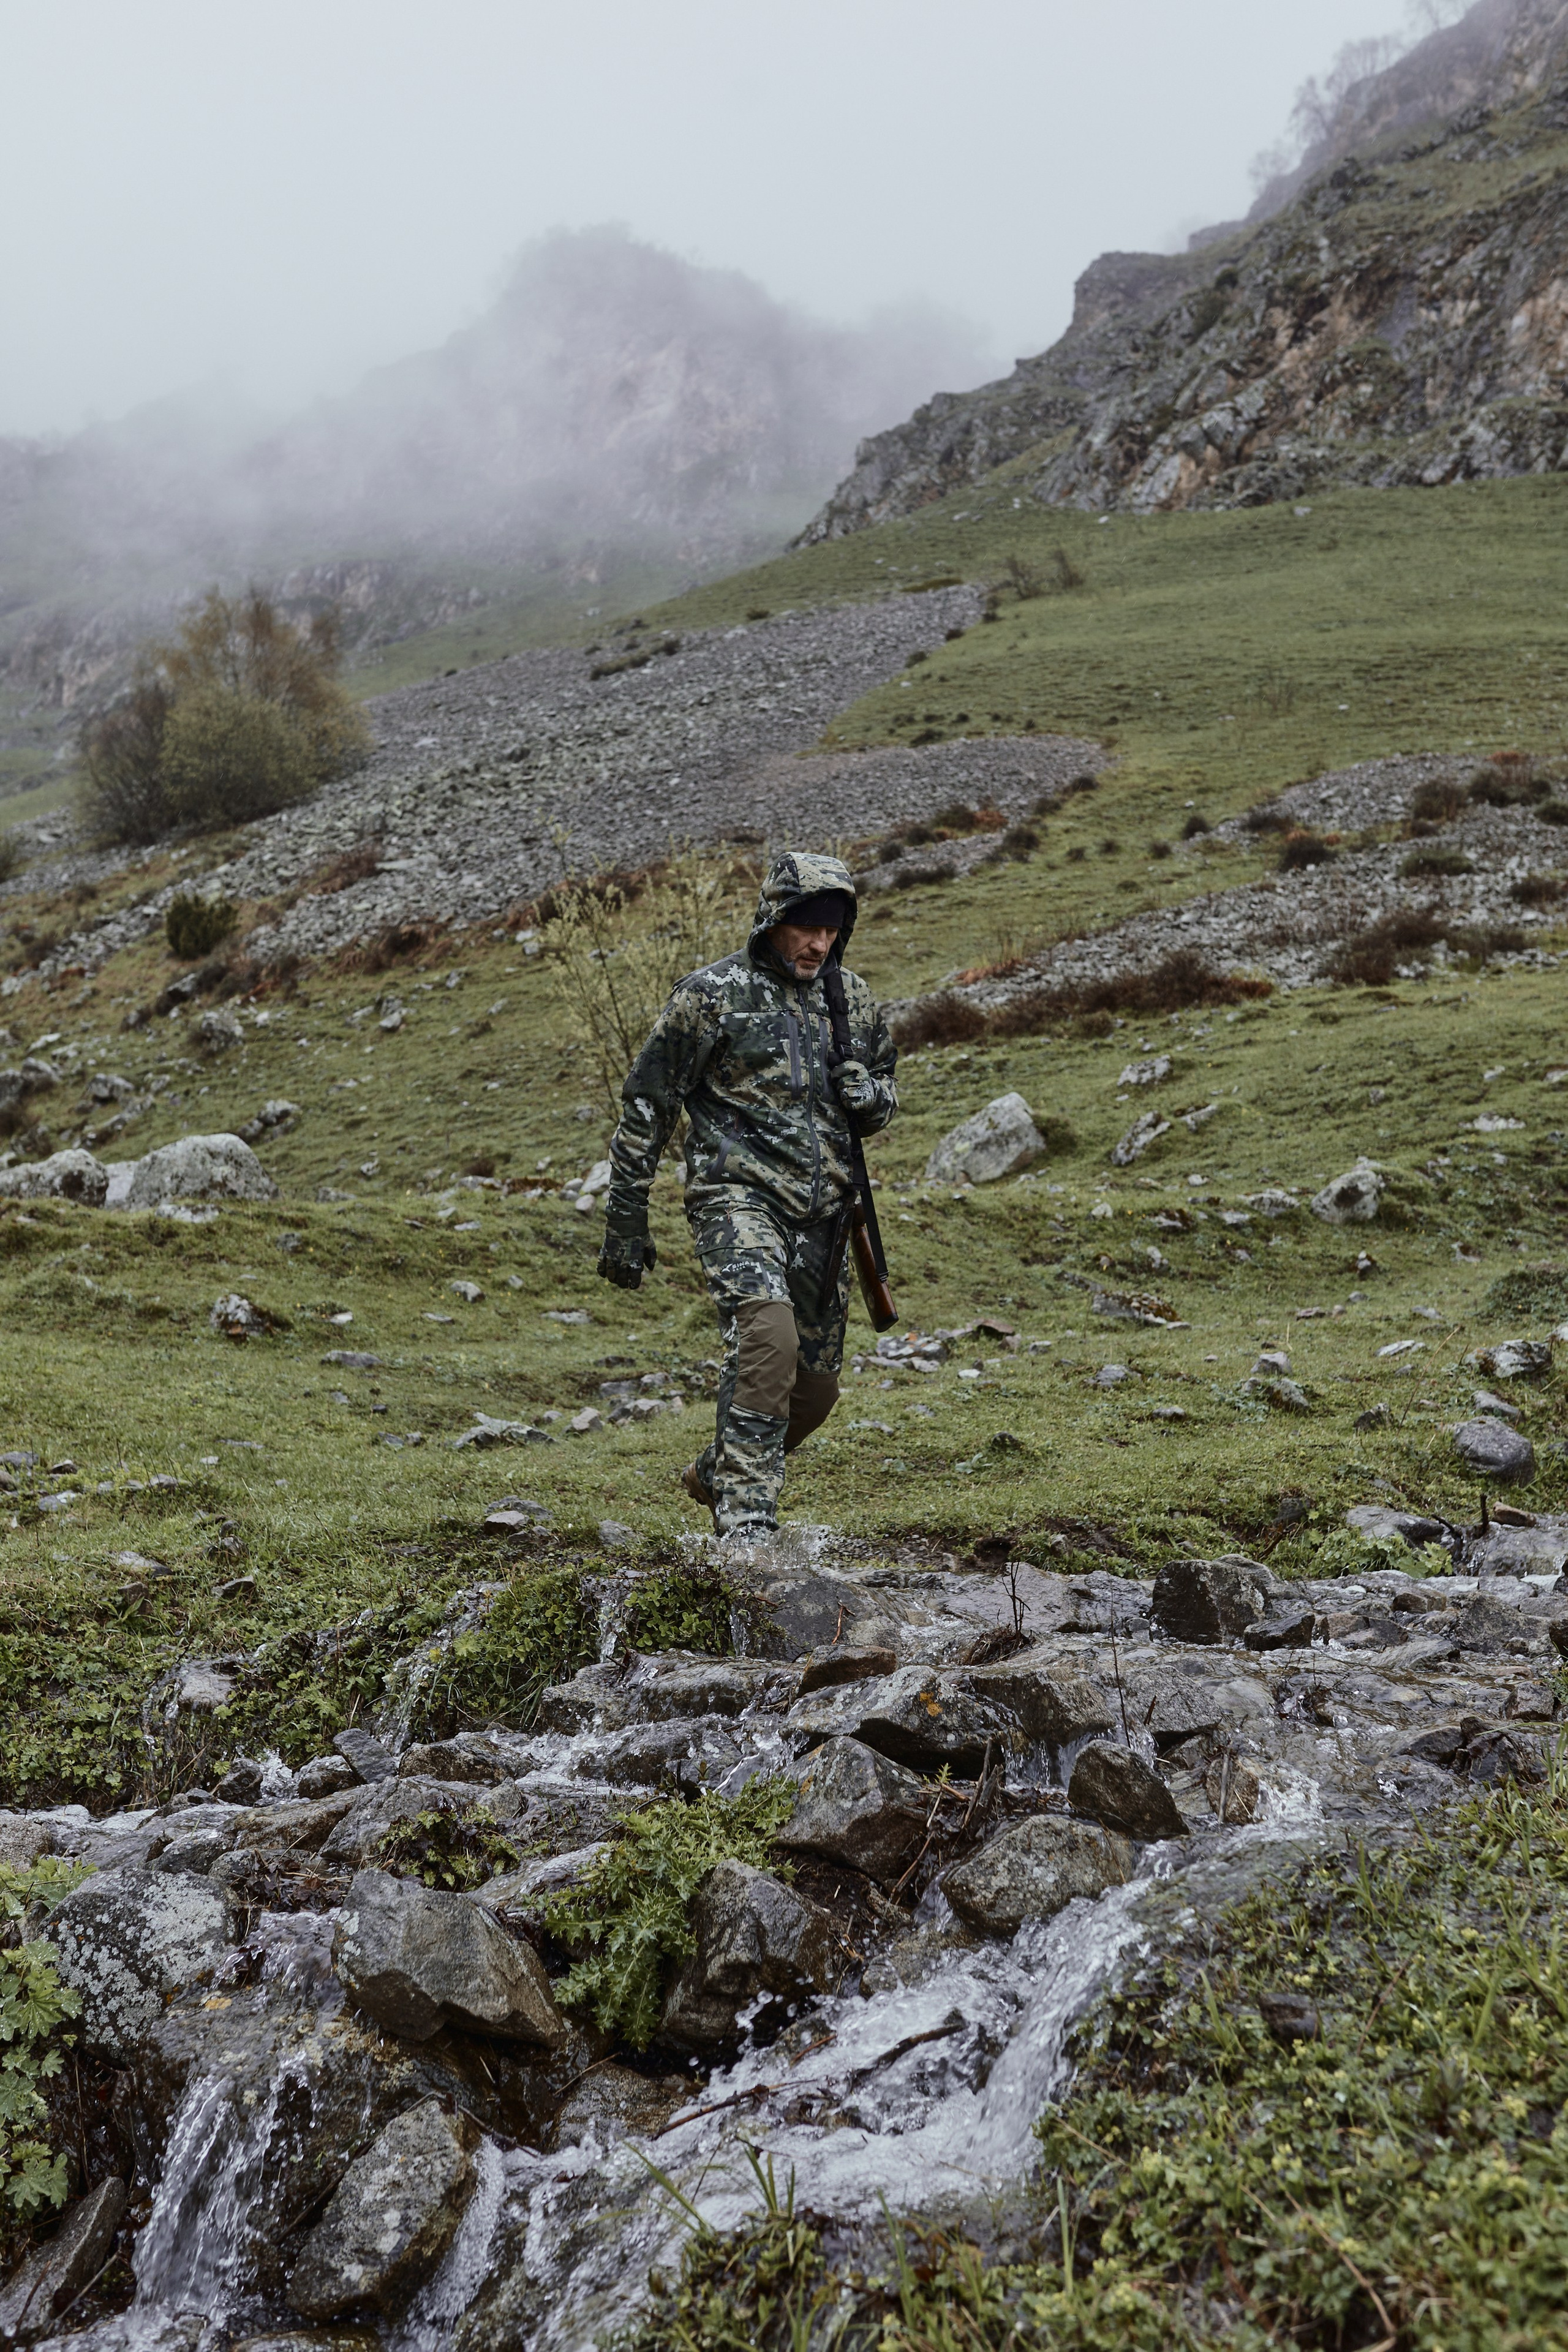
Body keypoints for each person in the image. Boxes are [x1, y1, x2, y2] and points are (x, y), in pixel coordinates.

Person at [597, 850, 898, 1537]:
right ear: (772, 920)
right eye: (804, 927)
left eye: (831, 928)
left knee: (815, 1394)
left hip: (828, 1218)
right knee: (768, 1341)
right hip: (737, 1200)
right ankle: (748, 1533)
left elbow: (883, 1096)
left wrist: (870, 1095)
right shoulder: (709, 996)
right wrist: (624, 1219)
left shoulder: (850, 997)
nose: (818, 942)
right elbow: (648, 1105)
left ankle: (717, 1473)